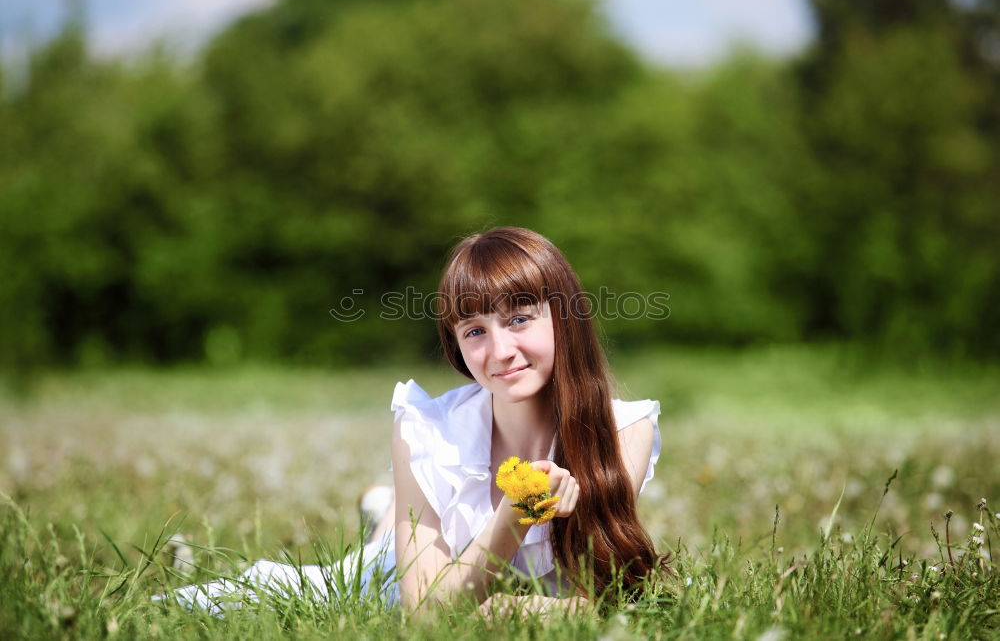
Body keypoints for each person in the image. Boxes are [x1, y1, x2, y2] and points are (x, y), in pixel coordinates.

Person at [156, 226, 668, 616]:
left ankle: (386, 507)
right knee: (310, 585)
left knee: (408, 519)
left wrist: (504, 608)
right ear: (456, 345)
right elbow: (426, 614)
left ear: (564, 316)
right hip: (390, 576)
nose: (500, 351)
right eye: (474, 331)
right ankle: (389, 517)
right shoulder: (426, 429)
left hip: (450, 556)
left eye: (519, 319)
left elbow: (599, 604)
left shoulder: (624, 432)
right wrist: (516, 516)